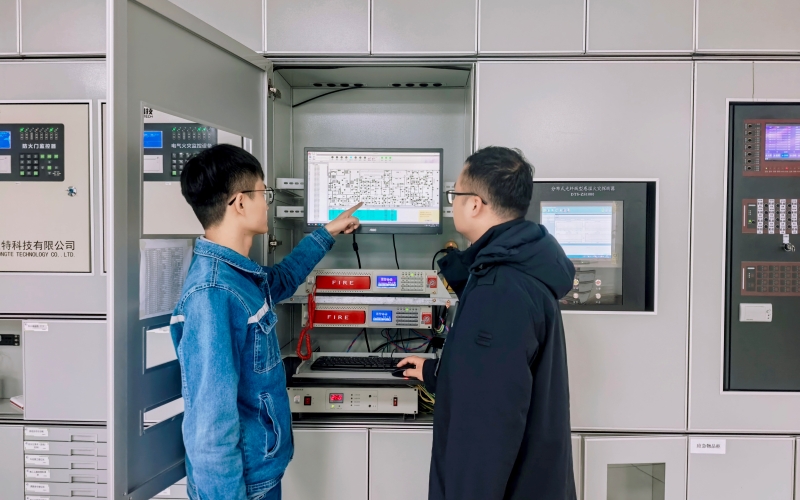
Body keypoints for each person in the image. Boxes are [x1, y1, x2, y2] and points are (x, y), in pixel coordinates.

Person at [170, 144, 361, 500]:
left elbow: (282, 280)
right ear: (241, 203)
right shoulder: (213, 294)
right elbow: (210, 428)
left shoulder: (237, 276)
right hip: (241, 486)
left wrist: (328, 231)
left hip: (260, 474)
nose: (268, 203)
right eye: (264, 193)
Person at [398, 146, 577, 500]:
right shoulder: (519, 268)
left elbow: (485, 431)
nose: (452, 204)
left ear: (475, 204)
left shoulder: (499, 290)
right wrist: (437, 372)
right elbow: (499, 380)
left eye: (455, 195)